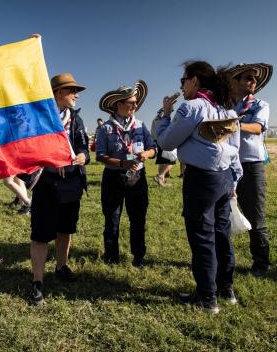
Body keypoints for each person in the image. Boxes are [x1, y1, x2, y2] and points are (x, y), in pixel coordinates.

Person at [157, 61, 242, 313]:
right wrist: (234, 180)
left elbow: (167, 141)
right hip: (224, 177)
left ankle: (207, 297)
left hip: (201, 180)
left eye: (183, 81)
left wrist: (164, 115)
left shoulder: (191, 107)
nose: (181, 87)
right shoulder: (226, 109)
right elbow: (235, 149)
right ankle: (225, 289)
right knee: (221, 233)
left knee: (202, 235)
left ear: (194, 80)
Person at [29, 73, 89, 305]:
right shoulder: (40, 117)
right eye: (72, 90)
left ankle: (61, 267)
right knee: (42, 233)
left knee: (66, 229)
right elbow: (32, 148)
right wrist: (52, 161)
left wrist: (83, 155)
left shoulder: (75, 119)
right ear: (58, 93)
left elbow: (82, 144)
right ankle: (37, 281)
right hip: (46, 182)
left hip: (71, 183)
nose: (76, 95)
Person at [96, 80, 155, 267]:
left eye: (136, 102)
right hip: (114, 178)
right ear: (119, 104)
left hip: (137, 178)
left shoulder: (140, 125)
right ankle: (111, 257)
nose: (135, 106)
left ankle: (139, 257)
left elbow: (153, 148)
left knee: (138, 219)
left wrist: (146, 153)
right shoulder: (105, 128)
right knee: (112, 219)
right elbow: (100, 156)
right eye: (131, 102)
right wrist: (123, 163)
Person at [228, 63, 273, 278]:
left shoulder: (261, 105)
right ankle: (224, 259)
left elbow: (257, 128)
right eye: (248, 78)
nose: (253, 82)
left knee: (256, 218)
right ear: (235, 81)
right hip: (227, 165)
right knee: (223, 213)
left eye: (254, 79)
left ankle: (261, 263)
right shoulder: (226, 106)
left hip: (251, 166)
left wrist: (233, 125)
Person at [151, 106, 177, 187]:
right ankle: (160, 176)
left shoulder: (155, 119)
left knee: (162, 161)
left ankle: (161, 180)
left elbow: (153, 132)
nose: (171, 111)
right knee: (171, 160)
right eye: (171, 110)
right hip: (164, 140)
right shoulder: (163, 118)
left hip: (157, 141)